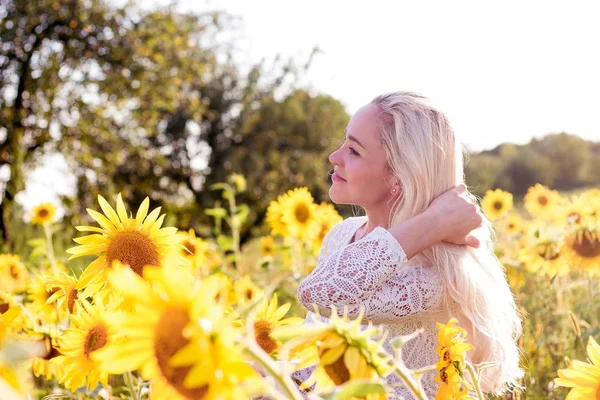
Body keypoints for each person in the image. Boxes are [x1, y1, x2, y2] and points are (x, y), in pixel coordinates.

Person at [293, 92, 522, 399]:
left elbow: (318, 294)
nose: (335, 157)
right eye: (343, 143)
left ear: (397, 179)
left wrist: (432, 223)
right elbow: (317, 350)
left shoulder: (430, 272)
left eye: (355, 151)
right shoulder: (343, 234)